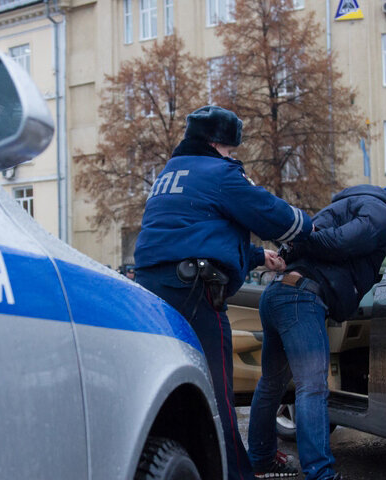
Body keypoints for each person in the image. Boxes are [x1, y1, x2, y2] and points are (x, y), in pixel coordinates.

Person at [133, 105, 313, 480]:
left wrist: (257, 257)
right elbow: (274, 216)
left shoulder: (169, 173)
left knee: (173, 389)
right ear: (217, 143)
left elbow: (195, 230)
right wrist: (308, 226)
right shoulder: (220, 172)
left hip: (152, 290)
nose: (233, 157)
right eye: (231, 150)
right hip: (195, 290)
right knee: (216, 396)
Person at [248, 182, 386, 480]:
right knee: (313, 386)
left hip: (278, 293)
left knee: (272, 384)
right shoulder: (382, 214)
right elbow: (341, 243)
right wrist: (304, 240)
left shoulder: (347, 206)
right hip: (301, 299)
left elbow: (327, 244)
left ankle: (261, 461)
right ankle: (320, 473)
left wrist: (299, 242)